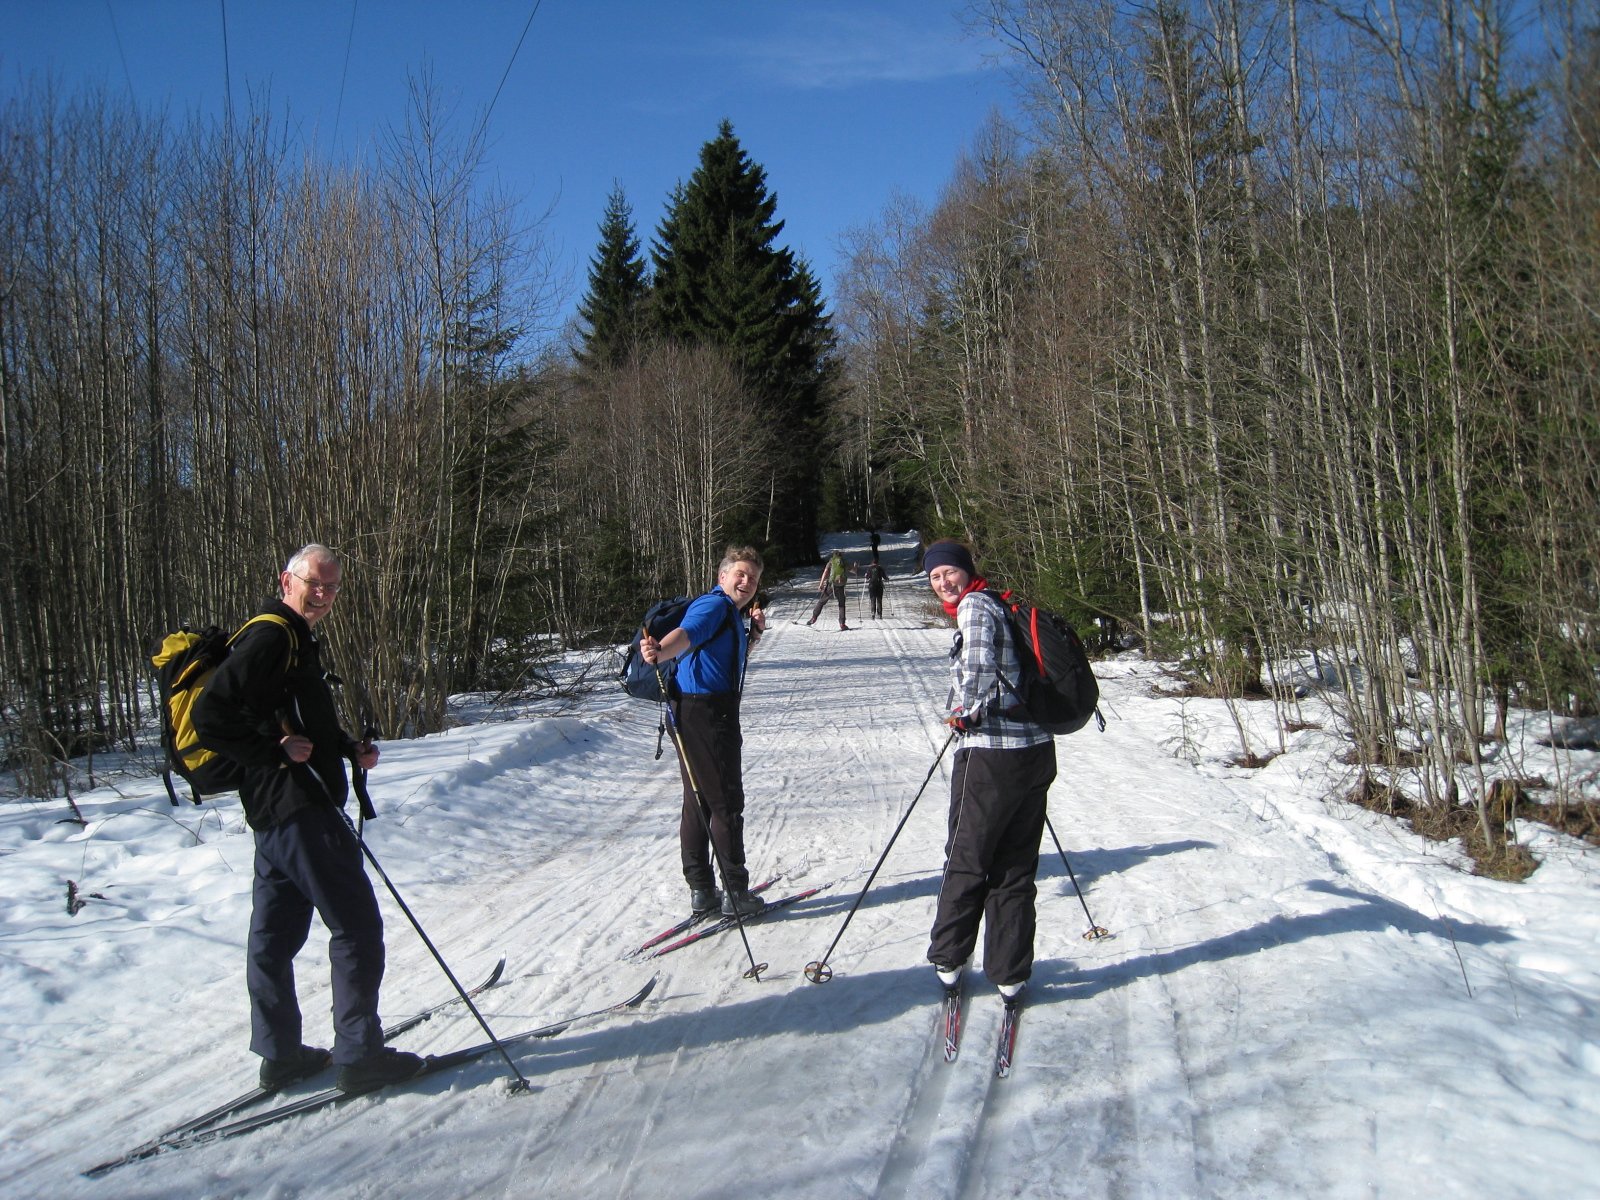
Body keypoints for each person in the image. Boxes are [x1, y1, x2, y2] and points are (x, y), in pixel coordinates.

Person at [193, 544, 423, 1095]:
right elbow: (211, 715)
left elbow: (295, 720)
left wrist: (346, 747)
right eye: (314, 584)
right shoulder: (273, 636)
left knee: (273, 939)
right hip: (300, 810)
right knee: (357, 927)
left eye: (332, 588)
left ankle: (281, 1054)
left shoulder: (290, 638)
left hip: (273, 815)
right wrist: (276, 751)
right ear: (287, 580)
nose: (322, 596)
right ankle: (360, 1055)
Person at [921, 538, 1057, 1003]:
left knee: (968, 855)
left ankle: (949, 958)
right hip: (1034, 750)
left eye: (949, 573)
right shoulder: (1000, 603)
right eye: (935, 578)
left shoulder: (976, 607)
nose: (943, 582)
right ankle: (1010, 970)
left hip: (991, 754)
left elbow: (977, 664)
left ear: (966, 570)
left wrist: (962, 710)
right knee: (1015, 863)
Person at [640, 546, 770, 917]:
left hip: (694, 709)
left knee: (699, 801)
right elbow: (688, 633)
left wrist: (754, 633)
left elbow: (717, 653)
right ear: (723, 576)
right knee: (725, 803)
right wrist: (661, 651)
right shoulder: (713, 606)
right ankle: (735, 892)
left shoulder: (730, 612)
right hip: (707, 714)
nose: (746, 582)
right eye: (740, 574)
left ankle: (702, 889)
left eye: (753, 578)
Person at [805, 549, 852, 630]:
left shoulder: (831, 562)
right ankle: (842, 624)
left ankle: (814, 618)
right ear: (840, 555)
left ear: (833, 555)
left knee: (821, 601)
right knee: (841, 604)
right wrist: (855, 567)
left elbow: (825, 572)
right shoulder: (844, 562)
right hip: (840, 585)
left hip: (831, 584)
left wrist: (821, 584)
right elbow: (853, 570)